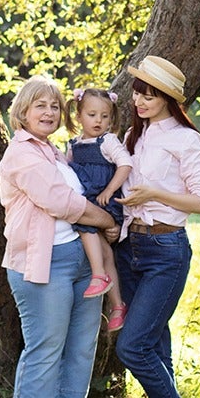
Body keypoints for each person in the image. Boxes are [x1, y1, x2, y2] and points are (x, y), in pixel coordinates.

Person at [0, 75, 119, 398]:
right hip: (42, 265)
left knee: (82, 346)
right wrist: (105, 221)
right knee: (45, 348)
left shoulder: (54, 152)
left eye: (54, 106)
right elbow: (61, 203)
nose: (48, 112)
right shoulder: (22, 154)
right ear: (22, 112)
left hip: (83, 261)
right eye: (40, 105)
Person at [114, 55, 200, 398]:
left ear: (168, 97)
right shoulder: (132, 137)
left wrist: (154, 193)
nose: (139, 99)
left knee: (132, 346)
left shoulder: (185, 140)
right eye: (138, 90)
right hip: (129, 247)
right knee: (155, 345)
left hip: (165, 249)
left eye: (149, 93)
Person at [65, 87, 132, 333]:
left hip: (105, 204)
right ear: (79, 116)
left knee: (86, 226)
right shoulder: (73, 145)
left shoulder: (108, 142)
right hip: (88, 201)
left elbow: (126, 164)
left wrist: (109, 190)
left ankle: (98, 276)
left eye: (105, 116)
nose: (98, 121)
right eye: (92, 115)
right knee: (106, 254)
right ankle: (117, 307)